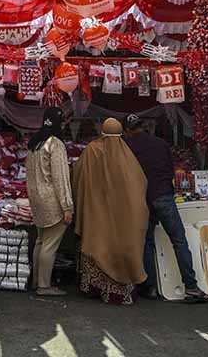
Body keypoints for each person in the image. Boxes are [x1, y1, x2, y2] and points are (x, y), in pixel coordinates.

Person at [124, 114, 208, 303]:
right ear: (143, 126)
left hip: (143, 198)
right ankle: (191, 287)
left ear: (128, 130)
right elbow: (170, 169)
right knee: (179, 240)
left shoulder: (127, 147)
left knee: (146, 242)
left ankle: (149, 287)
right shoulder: (161, 144)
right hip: (163, 195)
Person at [73, 117, 148, 305]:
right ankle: (118, 292)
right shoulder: (127, 155)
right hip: (123, 215)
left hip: (95, 212)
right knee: (119, 246)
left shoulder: (92, 150)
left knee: (96, 243)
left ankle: (94, 287)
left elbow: (78, 178)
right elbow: (140, 184)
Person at [25, 107, 73, 297]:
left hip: (37, 199)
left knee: (40, 241)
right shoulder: (56, 144)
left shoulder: (34, 144)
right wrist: (67, 206)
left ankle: (37, 281)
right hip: (52, 200)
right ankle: (44, 286)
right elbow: (61, 177)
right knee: (50, 245)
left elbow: (28, 175)